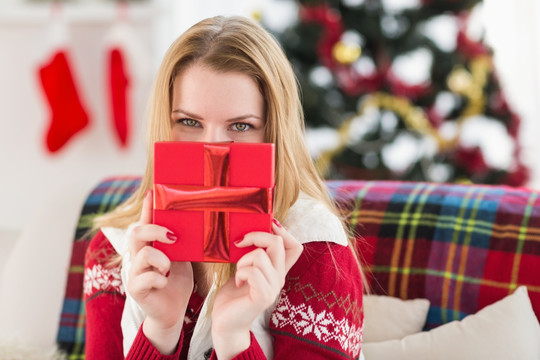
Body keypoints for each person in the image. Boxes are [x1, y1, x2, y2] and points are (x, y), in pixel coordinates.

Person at [84, 15, 364, 360]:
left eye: (241, 126)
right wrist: (160, 331)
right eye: (189, 122)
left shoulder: (316, 251)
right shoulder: (114, 251)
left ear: (272, 133)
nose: (212, 148)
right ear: (164, 125)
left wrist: (234, 338)